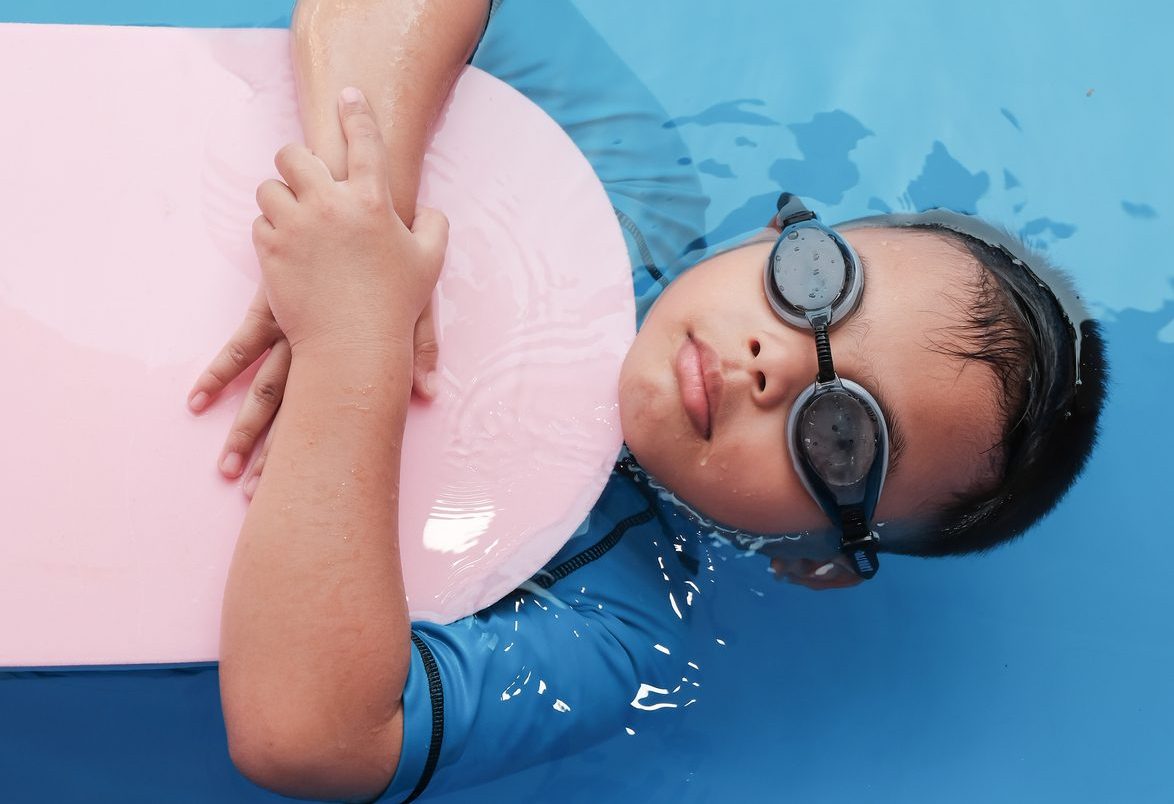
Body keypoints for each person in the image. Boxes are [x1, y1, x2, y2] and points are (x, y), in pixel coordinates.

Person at [184, 0, 1107, 800]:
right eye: (817, 281)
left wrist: (354, 341)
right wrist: (365, 208)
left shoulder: (611, 628)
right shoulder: (630, 189)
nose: (772, 362)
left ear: (818, 559)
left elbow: (307, 738)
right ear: (774, 231)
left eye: (841, 434)